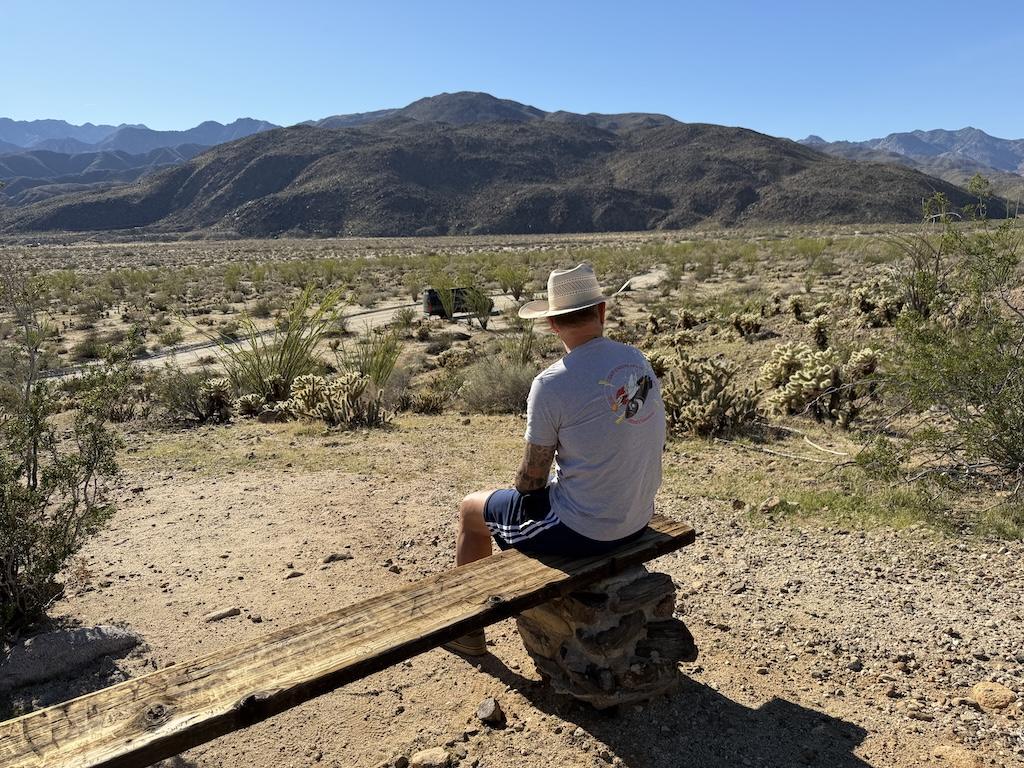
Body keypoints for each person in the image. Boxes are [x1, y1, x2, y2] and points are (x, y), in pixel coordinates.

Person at [445, 263, 666, 656]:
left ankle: (467, 630)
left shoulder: (552, 383)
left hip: (587, 529)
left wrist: (530, 493)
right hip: (636, 517)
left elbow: (531, 480)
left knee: (470, 511)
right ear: (601, 312)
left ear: (552, 324)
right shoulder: (636, 360)